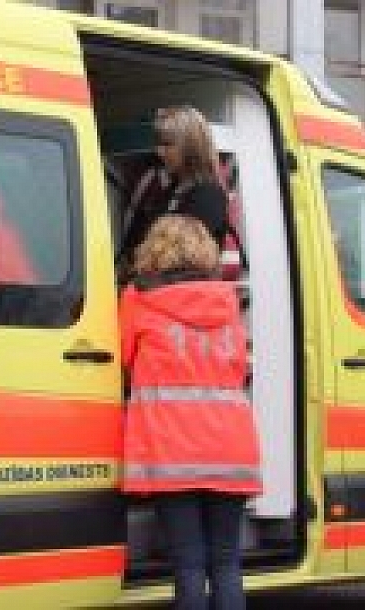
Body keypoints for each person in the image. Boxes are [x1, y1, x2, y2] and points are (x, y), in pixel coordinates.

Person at [118, 214, 262, 610]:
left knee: (189, 565)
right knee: (226, 563)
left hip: (172, 451)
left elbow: (123, 358)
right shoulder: (226, 301)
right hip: (230, 449)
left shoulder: (138, 298)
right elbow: (239, 366)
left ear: (154, 250)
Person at [119, 106, 228, 279]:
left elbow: (181, 260)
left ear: (190, 147)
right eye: (159, 143)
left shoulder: (208, 196)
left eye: (167, 144)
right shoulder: (171, 189)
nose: (159, 151)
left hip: (182, 291)